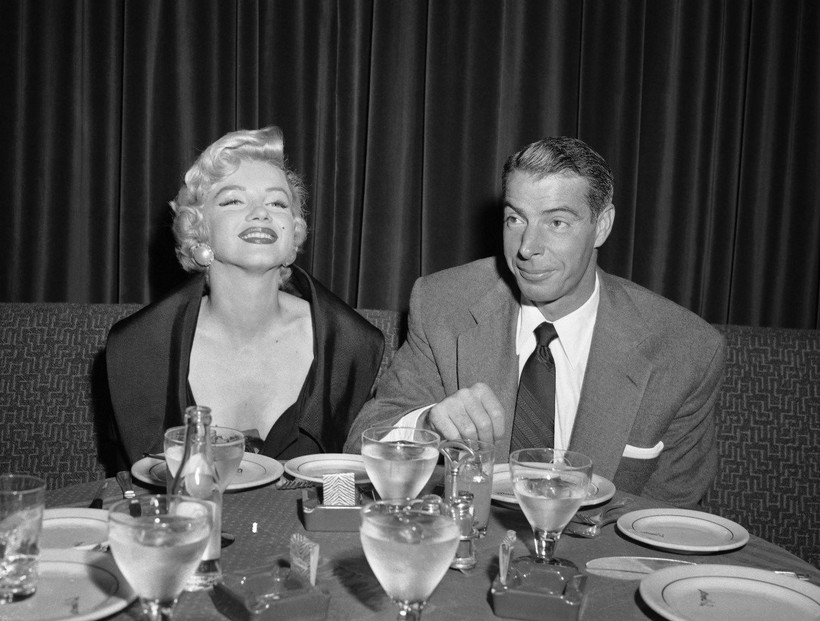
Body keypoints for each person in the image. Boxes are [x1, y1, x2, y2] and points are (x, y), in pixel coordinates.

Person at [345, 136, 725, 508]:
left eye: (557, 222)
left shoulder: (684, 351)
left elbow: (670, 518)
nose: (527, 247)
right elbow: (359, 447)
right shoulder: (443, 305)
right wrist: (427, 426)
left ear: (602, 225)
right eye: (515, 219)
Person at [106, 126, 384, 466]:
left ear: (293, 234)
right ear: (199, 230)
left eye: (277, 203)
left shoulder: (350, 346)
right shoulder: (138, 348)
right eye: (234, 200)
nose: (261, 212)